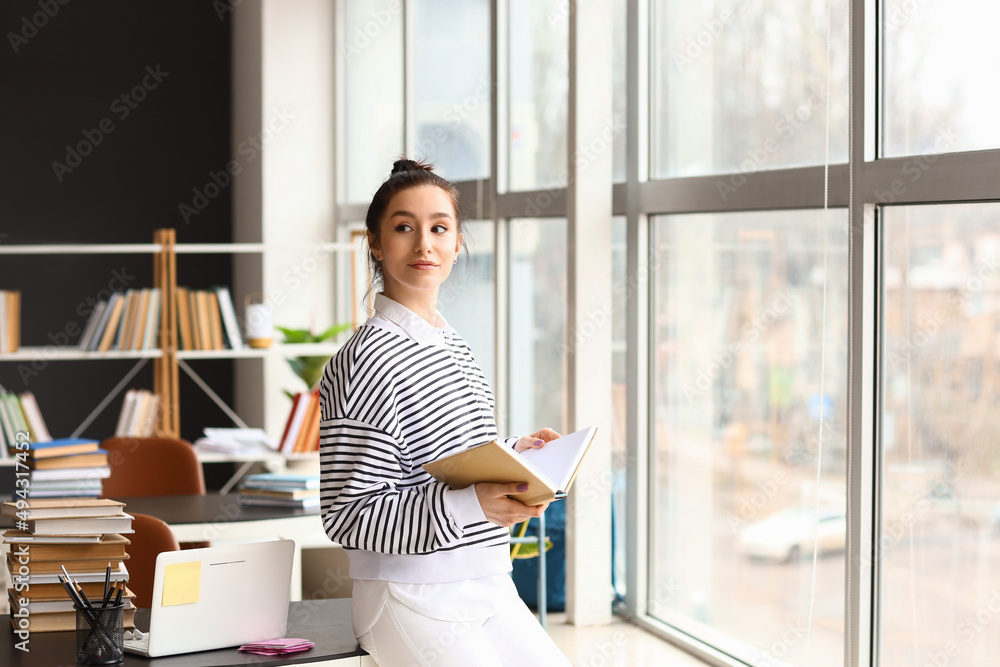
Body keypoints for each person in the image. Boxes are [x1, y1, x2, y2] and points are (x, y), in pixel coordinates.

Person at [319, 158, 573, 667]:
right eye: (403, 228)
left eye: (439, 228)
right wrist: (474, 505)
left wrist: (516, 456)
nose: (424, 244)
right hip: (411, 595)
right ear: (374, 242)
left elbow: (445, 460)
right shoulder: (365, 358)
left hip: (487, 582)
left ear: (457, 243)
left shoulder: (452, 344)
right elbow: (346, 515)